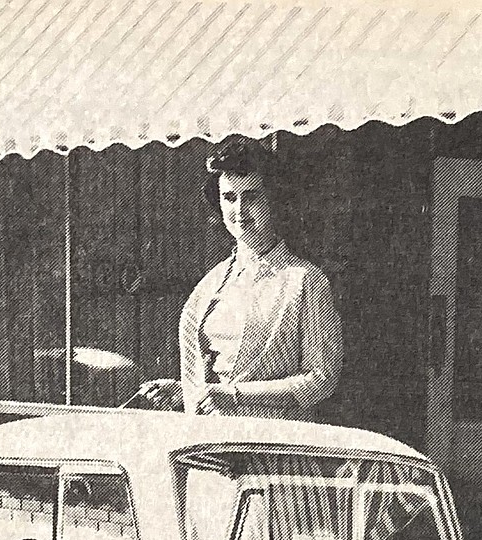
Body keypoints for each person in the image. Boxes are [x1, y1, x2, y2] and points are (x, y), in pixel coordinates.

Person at [141, 136, 342, 419]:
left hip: (275, 450)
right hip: (212, 447)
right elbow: (203, 384)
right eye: (229, 197)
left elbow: (321, 379)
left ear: (274, 200)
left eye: (252, 197)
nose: (239, 211)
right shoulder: (209, 287)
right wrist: (181, 391)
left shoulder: (305, 281)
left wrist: (234, 396)